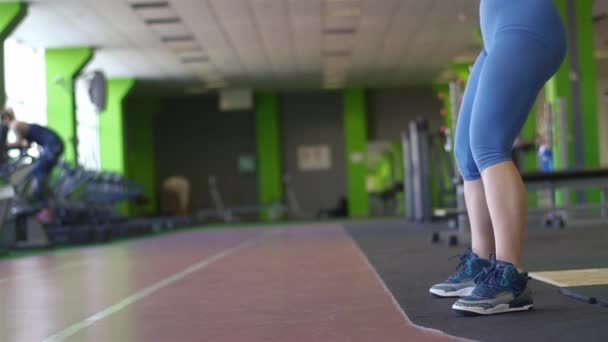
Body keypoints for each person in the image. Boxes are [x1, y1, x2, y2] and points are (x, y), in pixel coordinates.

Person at [429, 0, 566, 315]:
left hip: (527, 28)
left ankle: (510, 276)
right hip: (496, 34)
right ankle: (481, 263)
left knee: (488, 145)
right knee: (466, 151)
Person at [0, 108, 64, 202]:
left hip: (52, 144)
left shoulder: (14, 125)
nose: (3, 123)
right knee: (40, 171)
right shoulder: (20, 124)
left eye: (2, 120)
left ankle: (42, 201)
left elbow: (19, 142)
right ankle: (45, 198)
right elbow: (27, 144)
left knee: (39, 170)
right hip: (54, 142)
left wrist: (5, 145)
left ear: (6, 118)